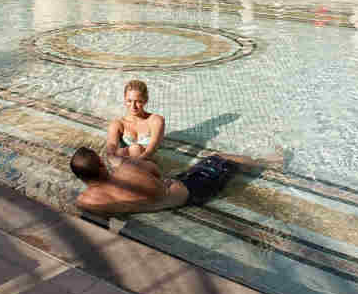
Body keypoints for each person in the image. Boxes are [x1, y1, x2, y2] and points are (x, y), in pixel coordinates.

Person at [72, 146, 284, 215]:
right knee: (219, 157)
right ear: (101, 163)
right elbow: (155, 170)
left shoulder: (85, 201)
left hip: (165, 200)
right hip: (193, 190)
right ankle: (266, 162)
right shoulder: (129, 170)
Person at [106, 79, 165, 160]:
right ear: (124, 99)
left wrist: (136, 163)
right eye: (129, 101)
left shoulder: (155, 121)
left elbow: (152, 148)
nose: (133, 106)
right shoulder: (118, 124)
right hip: (125, 165)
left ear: (146, 100)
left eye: (138, 101)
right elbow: (111, 149)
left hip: (149, 165)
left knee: (135, 149)